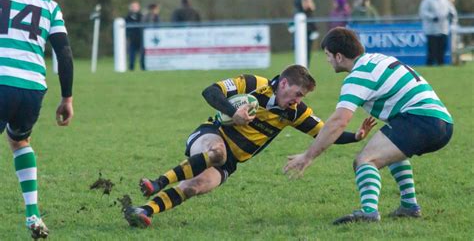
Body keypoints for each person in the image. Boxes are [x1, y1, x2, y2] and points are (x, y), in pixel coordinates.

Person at [123, 65, 376, 228]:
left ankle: (143, 211)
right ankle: (157, 182)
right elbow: (210, 92)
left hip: (231, 162)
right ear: (285, 84)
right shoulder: (253, 84)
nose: (298, 101)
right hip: (211, 134)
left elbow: (325, 134)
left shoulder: (295, 112)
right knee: (217, 153)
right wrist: (235, 112)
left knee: (194, 187)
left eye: (302, 98)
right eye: (298, 94)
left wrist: (356, 136)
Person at [284, 27, 453, 225]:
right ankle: (409, 206)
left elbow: (339, 121)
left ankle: (369, 212)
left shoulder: (358, 75)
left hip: (421, 119)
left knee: (365, 160)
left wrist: (308, 155)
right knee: (391, 152)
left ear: (339, 56)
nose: (327, 60)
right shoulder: (376, 59)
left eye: (328, 55)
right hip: (443, 122)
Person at [0, 0, 74, 238]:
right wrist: (67, 98)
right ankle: (33, 214)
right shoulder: (50, 5)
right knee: (19, 141)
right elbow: (64, 55)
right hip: (31, 87)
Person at [419, 0, 457, 66]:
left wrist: (451, 15)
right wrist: (432, 17)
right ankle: (430, 66)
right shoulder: (427, 0)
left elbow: (451, 10)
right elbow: (423, 12)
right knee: (432, 51)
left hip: (444, 29)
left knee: (442, 50)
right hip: (431, 30)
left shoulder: (445, 0)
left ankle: (441, 65)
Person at [294, 0, 318, 66]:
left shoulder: (310, 12)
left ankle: (305, 69)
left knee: (307, 54)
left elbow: (313, 24)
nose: (308, 3)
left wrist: (314, 30)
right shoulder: (299, 12)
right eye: (307, 1)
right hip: (301, 36)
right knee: (301, 54)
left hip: (308, 36)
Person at [125, 0, 144, 70]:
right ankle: (131, 69)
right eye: (133, 6)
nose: (134, 8)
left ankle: (143, 69)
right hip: (132, 40)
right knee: (131, 57)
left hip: (141, 39)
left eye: (136, 6)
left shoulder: (142, 17)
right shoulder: (127, 18)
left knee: (143, 57)